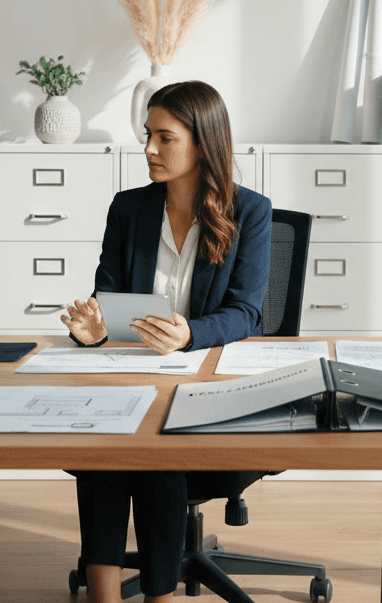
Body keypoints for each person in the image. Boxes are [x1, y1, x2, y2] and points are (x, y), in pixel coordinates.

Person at [61, 80, 271, 603]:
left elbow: (247, 312)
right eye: (147, 135)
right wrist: (95, 329)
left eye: (165, 137)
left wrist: (191, 333)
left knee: (154, 448)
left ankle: (160, 596)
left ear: (202, 143)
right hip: (133, 371)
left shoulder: (250, 212)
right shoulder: (129, 208)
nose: (150, 149)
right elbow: (107, 296)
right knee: (104, 444)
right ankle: (103, 597)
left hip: (206, 382)